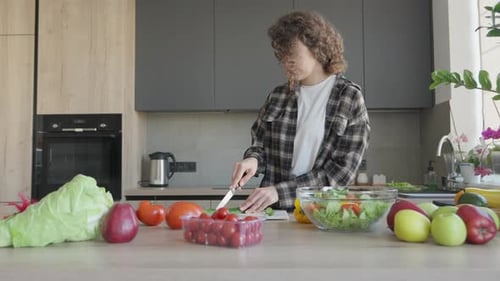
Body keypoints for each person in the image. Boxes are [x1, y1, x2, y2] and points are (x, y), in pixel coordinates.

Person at [230, 11, 370, 212]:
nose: (286, 61)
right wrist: (253, 160)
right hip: (274, 213)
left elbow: (341, 173)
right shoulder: (278, 96)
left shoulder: (349, 98)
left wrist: (279, 191)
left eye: (292, 53)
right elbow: (260, 144)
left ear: (317, 48)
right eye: (281, 55)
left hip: (322, 214)